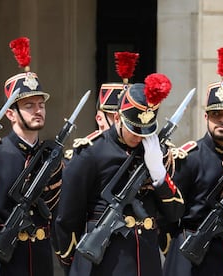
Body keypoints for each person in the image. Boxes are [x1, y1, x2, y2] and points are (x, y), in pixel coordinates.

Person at [55, 73, 185, 276]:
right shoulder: (90, 153)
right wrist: (75, 263)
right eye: (134, 129)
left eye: (145, 130)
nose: (139, 136)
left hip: (146, 263)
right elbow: (67, 217)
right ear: (117, 117)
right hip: (105, 264)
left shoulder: (155, 153)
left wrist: (159, 174)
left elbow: (175, 213)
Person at [162, 47, 223, 276]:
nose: (222, 120)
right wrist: (174, 250)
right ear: (206, 117)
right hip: (193, 259)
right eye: (216, 114)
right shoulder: (189, 157)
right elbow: (167, 214)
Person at [0, 37, 62, 276]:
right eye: (28, 106)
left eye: (40, 104)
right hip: (3, 262)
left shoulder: (50, 156)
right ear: (11, 115)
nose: (38, 110)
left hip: (40, 258)